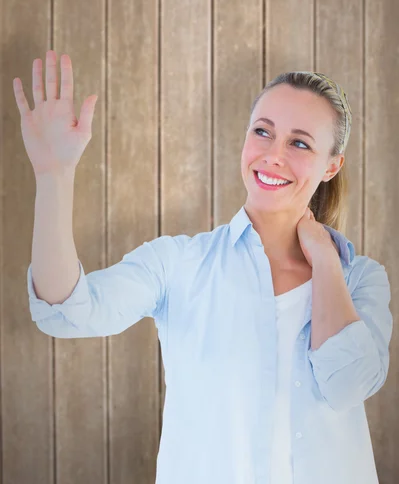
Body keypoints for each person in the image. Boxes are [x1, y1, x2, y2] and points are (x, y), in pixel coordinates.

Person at [14, 51, 393, 484]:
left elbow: (348, 385)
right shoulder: (178, 264)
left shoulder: (361, 279)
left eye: (300, 142)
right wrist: (53, 175)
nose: (273, 155)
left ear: (332, 166)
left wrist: (325, 257)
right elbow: (66, 311)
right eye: (262, 132)